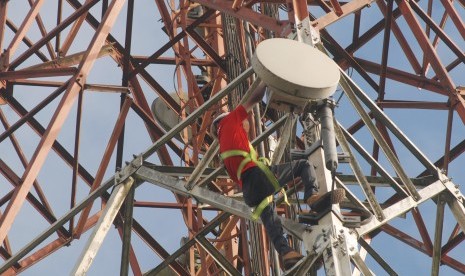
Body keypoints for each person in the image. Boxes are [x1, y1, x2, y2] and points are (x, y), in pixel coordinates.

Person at [210, 80, 345, 270]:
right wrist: (266, 79)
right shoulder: (230, 120)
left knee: (270, 218)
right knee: (303, 165)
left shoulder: (225, 152)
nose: (247, 123)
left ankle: (286, 253)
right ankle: (312, 197)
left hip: (250, 192)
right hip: (256, 176)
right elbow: (253, 99)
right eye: (245, 121)